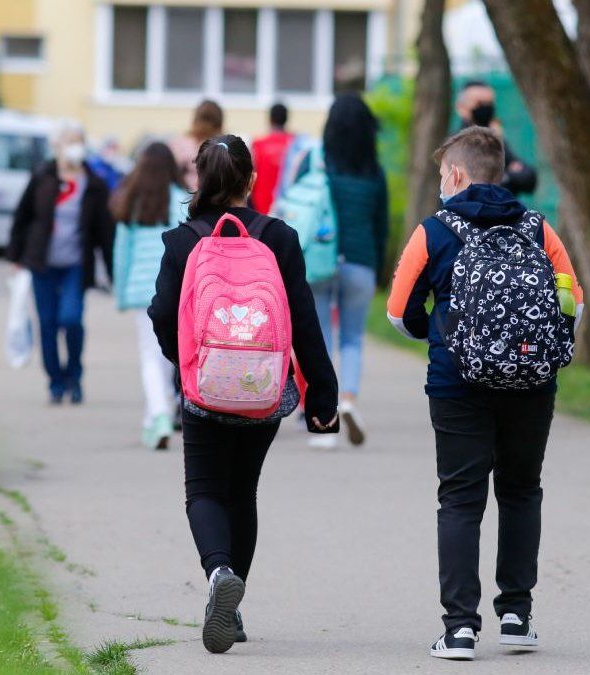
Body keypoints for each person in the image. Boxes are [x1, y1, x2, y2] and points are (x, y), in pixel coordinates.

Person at [386, 126, 584, 660]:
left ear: (454, 174)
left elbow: (398, 313)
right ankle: (517, 616)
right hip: (531, 381)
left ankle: (459, 629)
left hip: (457, 384)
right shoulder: (540, 229)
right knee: (521, 490)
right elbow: (573, 304)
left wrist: (444, 334)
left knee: (460, 499)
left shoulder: (433, 230)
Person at [148, 135, 339, 654]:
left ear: (198, 180)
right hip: (265, 390)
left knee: (203, 490)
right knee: (242, 492)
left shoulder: (181, 240)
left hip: (204, 388)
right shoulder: (278, 237)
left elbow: (163, 315)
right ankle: (231, 609)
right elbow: (302, 319)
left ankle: (219, 574)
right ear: (251, 181)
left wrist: (187, 363)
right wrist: (323, 393)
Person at [304, 93, 389, 449]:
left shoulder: (320, 167)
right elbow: (381, 226)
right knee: (353, 338)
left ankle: (325, 420)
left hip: (321, 261)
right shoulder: (375, 174)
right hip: (361, 261)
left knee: (320, 339)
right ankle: (349, 400)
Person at [7, 126, 114, 405]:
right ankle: (55, 381)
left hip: (75, 265)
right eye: (68, 142)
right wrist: (16, 257)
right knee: (48, 323)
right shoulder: (43, 176)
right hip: (42, 263)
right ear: (57, 147)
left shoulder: (94, 184)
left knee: (71, 318)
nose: (73, 147)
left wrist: (114, 271)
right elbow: (23, 216)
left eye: (77, 142)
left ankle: (75, 375)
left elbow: (105, 231)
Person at [110, 142, 188, 450]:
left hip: (143, 292)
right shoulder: (183, 201)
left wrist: (120, 292)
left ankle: (158, 415)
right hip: (176, 290)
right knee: (167, 357)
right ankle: (155, 418)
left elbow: (121, 253)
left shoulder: (133, 201)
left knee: (149, 357)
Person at [454, 80, 537, 196]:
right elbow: (478, 187)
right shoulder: (455, 145)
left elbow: (528, 178)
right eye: (479, 104)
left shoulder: (495, 139)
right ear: (461, 107)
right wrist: (510, 175)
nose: (486, 108)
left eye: (489, 103)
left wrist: (504, 177)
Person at [169, 100, 224, 192]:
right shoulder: (225, 147)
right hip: (215, 200)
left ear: (195, 120)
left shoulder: (178, 144)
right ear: (220, 123)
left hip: (183, 198)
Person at [250, 103, 295, 214]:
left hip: (261, 210)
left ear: (270, 119)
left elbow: (250, 178)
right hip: (289, 209)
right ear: (286, 119)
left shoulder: (258, 145)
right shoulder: (295, 144)